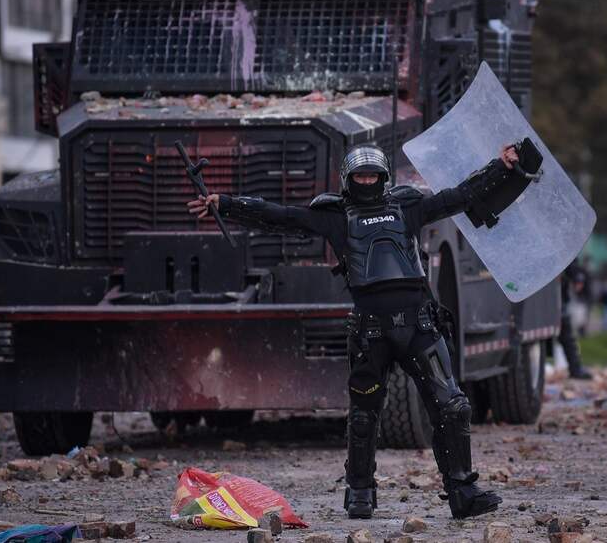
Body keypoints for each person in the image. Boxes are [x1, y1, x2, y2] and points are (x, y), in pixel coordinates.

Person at [189, 143, 524, 520]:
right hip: (371, 332)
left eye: (373, 175)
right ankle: (360, 494)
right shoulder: (334, 216)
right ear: (349, 180)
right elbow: (281, 216)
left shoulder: (408, 207)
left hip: (419, 326)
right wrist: (225, 203)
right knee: (364, 416)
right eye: (361, 176)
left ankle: (463, 492)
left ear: (383, 178)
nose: (368, 181)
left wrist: (502, 165)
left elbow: (460, 196)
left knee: (452, 405)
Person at [559, 260, 593, 380]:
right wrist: (577, 277)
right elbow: (569, 261)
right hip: (558, 298)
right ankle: (576, 369)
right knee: (567, 336)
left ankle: (575, 369)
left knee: (566, 335)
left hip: (558, 297)